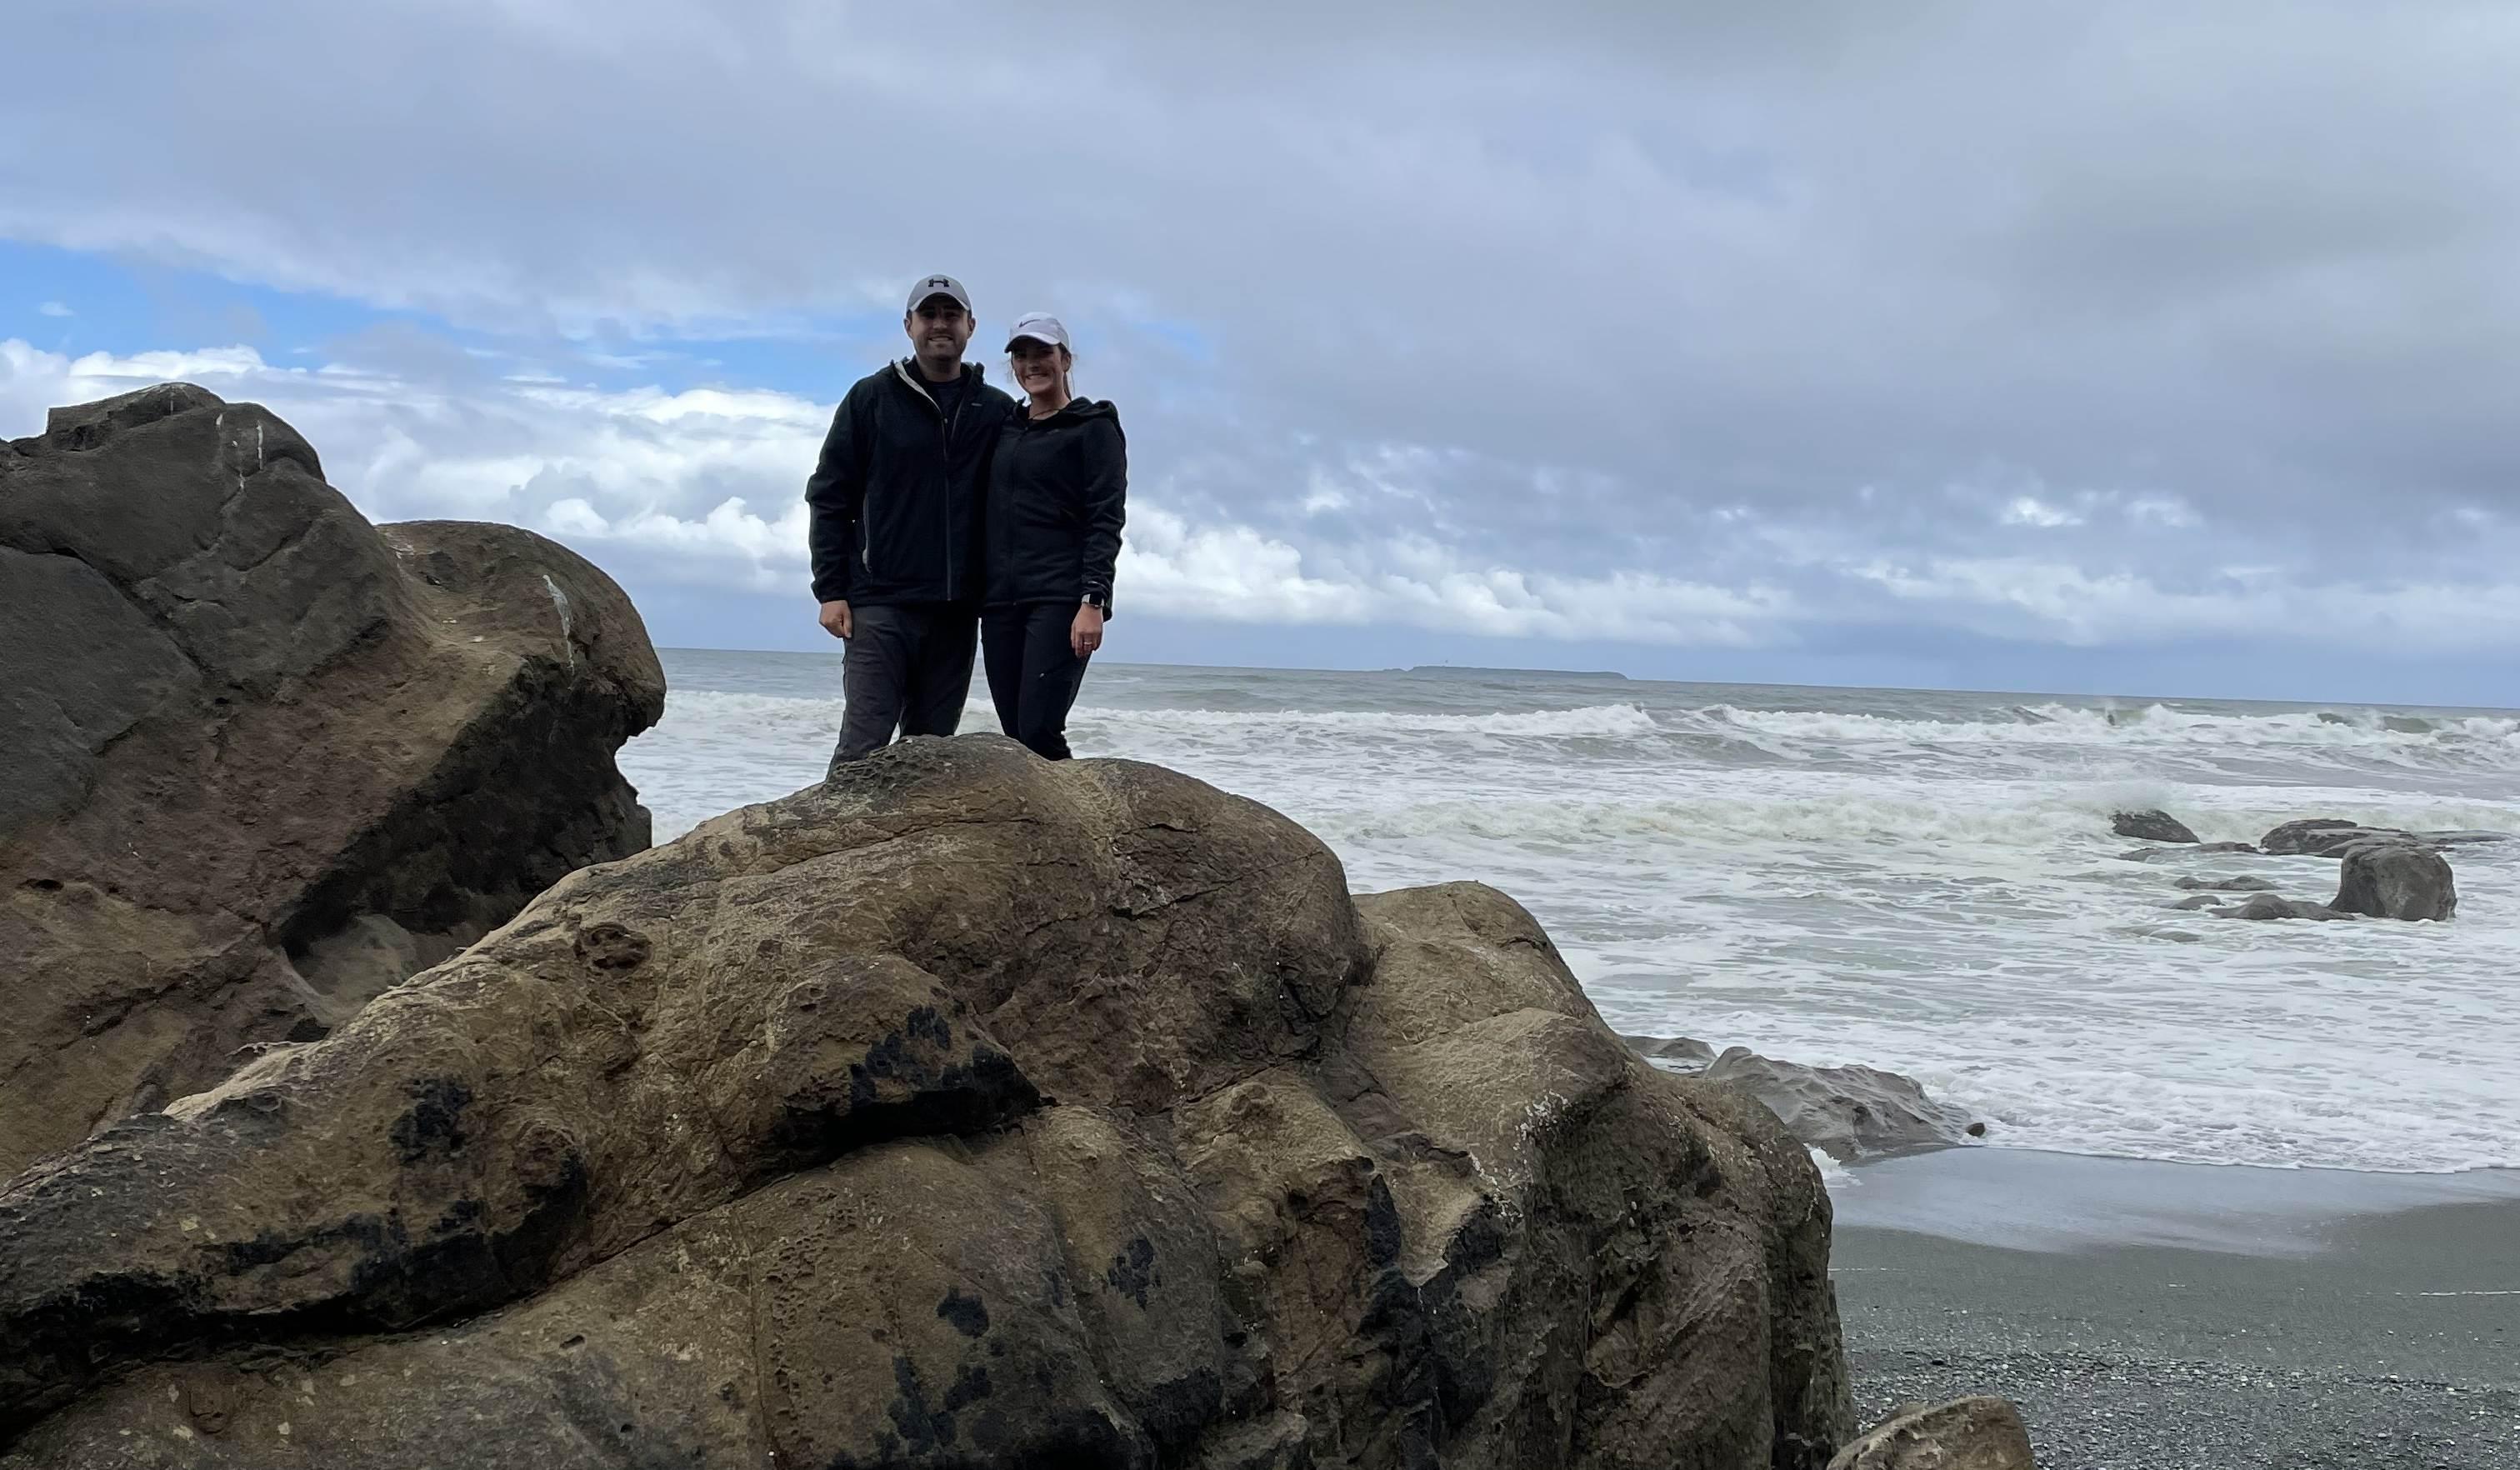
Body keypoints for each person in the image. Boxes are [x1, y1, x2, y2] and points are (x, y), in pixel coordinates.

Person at [805, 273, 1014, 766]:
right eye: (929, 314)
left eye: (951, 315)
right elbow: (829, 496)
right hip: (879, 605)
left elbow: (1019, 506)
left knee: (929, 757)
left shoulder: (996, 410)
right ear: (908, 325)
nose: (940, 324)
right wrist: (830, 590)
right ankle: (838, 822)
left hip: (956, 612)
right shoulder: (870, 399)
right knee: (862, 753)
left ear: (970, 326)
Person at [982, 312, 1125, 761]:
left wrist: (1093, 601)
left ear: (1065, 359)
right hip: (1000, 602)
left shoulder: (1093, 427)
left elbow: (1106, 518)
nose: (1032, 364)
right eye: (1021, 356)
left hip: (1061, 599)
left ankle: (1082, 807)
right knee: (1015, 735)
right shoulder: (1004, 428)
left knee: (1040, 730)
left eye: (1042, 352)